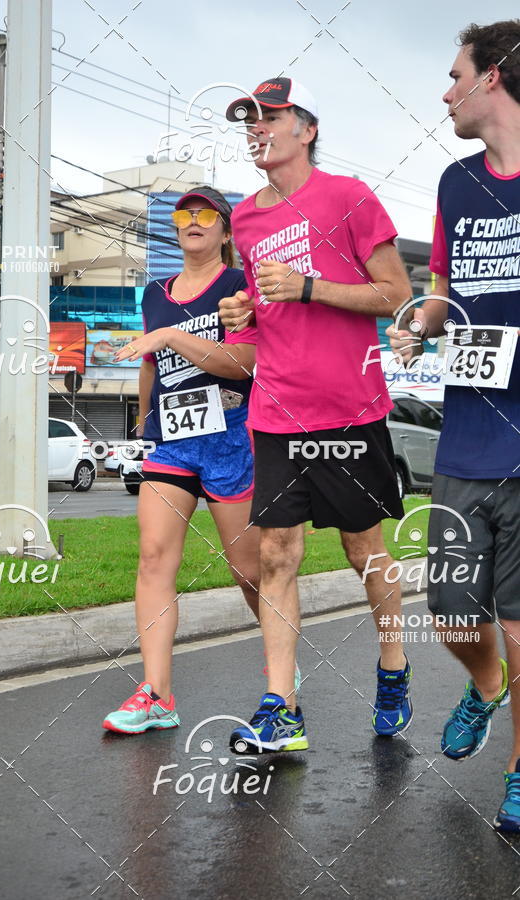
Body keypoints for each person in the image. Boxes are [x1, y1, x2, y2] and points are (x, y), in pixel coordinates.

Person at [218, 78, 413, 754]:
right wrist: (241, 310)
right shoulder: (244, 217)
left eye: (270, 117)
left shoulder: (349, 198)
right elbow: (259, 300)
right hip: (276, 406)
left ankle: (393, 665)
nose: (256, 128)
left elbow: (397, 296)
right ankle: (283, 707)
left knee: (364, 548)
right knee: (275, 550)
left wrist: (309, 288)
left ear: (306, 130)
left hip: (349, 407)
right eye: (249, 120)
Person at [388, 21, 520, 832]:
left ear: (493, 78)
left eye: (455, 75)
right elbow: (443, 289)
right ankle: (484, 684)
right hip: (466, 440)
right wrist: (418, 321)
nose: (445, 91)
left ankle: (518, 769)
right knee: (452, 613)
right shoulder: (455, 184)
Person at [102, 186, 262, 734]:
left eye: (206, 214)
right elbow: (150, 362)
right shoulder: (155, 293)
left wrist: (172, 334)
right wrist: (144, 422)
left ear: (225, 230)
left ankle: (280, 681)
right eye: (184, 214)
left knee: (249, 571)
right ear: (175, 227)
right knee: (152, 558)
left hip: (231, 438)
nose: (193, 221)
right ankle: (157, 694)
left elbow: (243, 364)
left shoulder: (240, 286)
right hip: (171, 438)